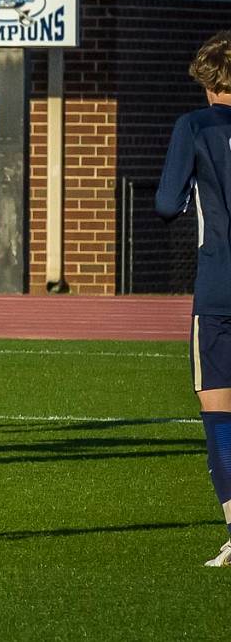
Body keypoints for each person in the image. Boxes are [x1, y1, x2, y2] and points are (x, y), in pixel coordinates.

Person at [155, 30, 231, 567]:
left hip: (220, 284)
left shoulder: (194, 125)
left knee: (220, 411)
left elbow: (165, 202)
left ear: (206, 79)